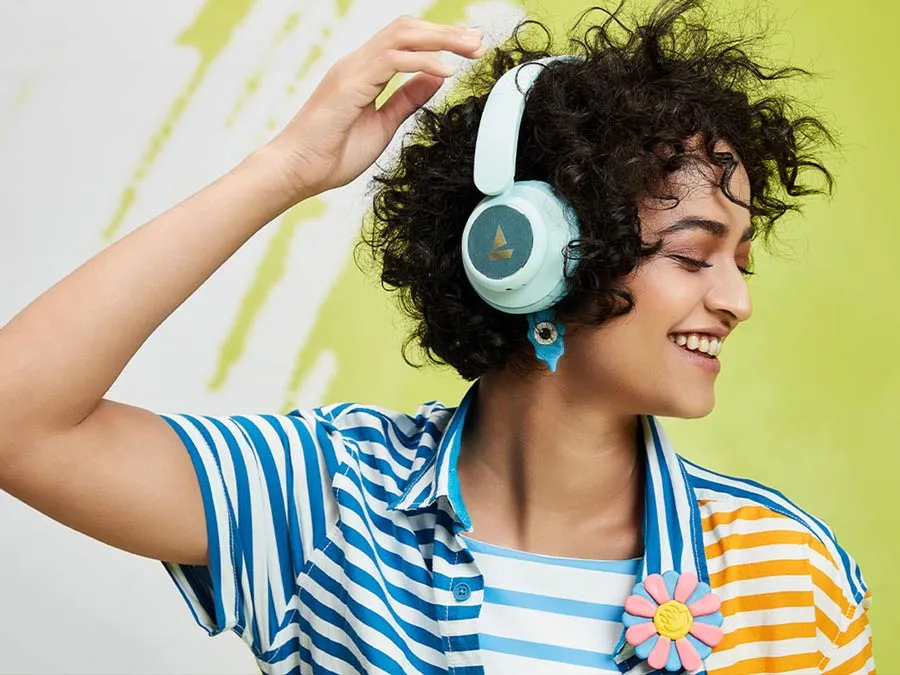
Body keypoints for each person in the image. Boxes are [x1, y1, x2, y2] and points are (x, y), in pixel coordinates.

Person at [0, 1, 875, 673]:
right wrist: (286, 171)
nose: (736, 301)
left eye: (741, 262)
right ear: (530, 256)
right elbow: (18, 417)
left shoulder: (790, 574)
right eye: (693, 256)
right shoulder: (327, 502)